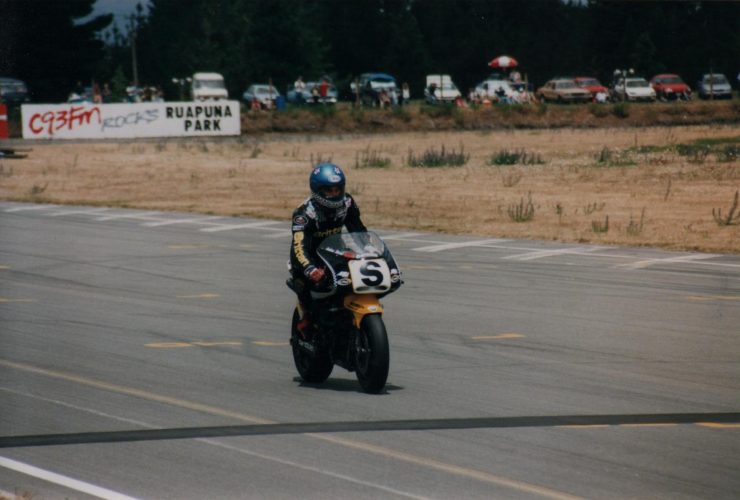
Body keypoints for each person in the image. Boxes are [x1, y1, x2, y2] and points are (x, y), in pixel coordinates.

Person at [289, 163, 367, 337]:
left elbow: (358, 230)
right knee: (310, 284)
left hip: (333, 251)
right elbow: (299, 247)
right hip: (308, 256)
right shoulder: (304, 214)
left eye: (337, 189)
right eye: (329, 190)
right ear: (317, 190)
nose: (334, 194)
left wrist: (368, 250)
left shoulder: (347, 203)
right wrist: (309, 268)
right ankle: (306, 320)